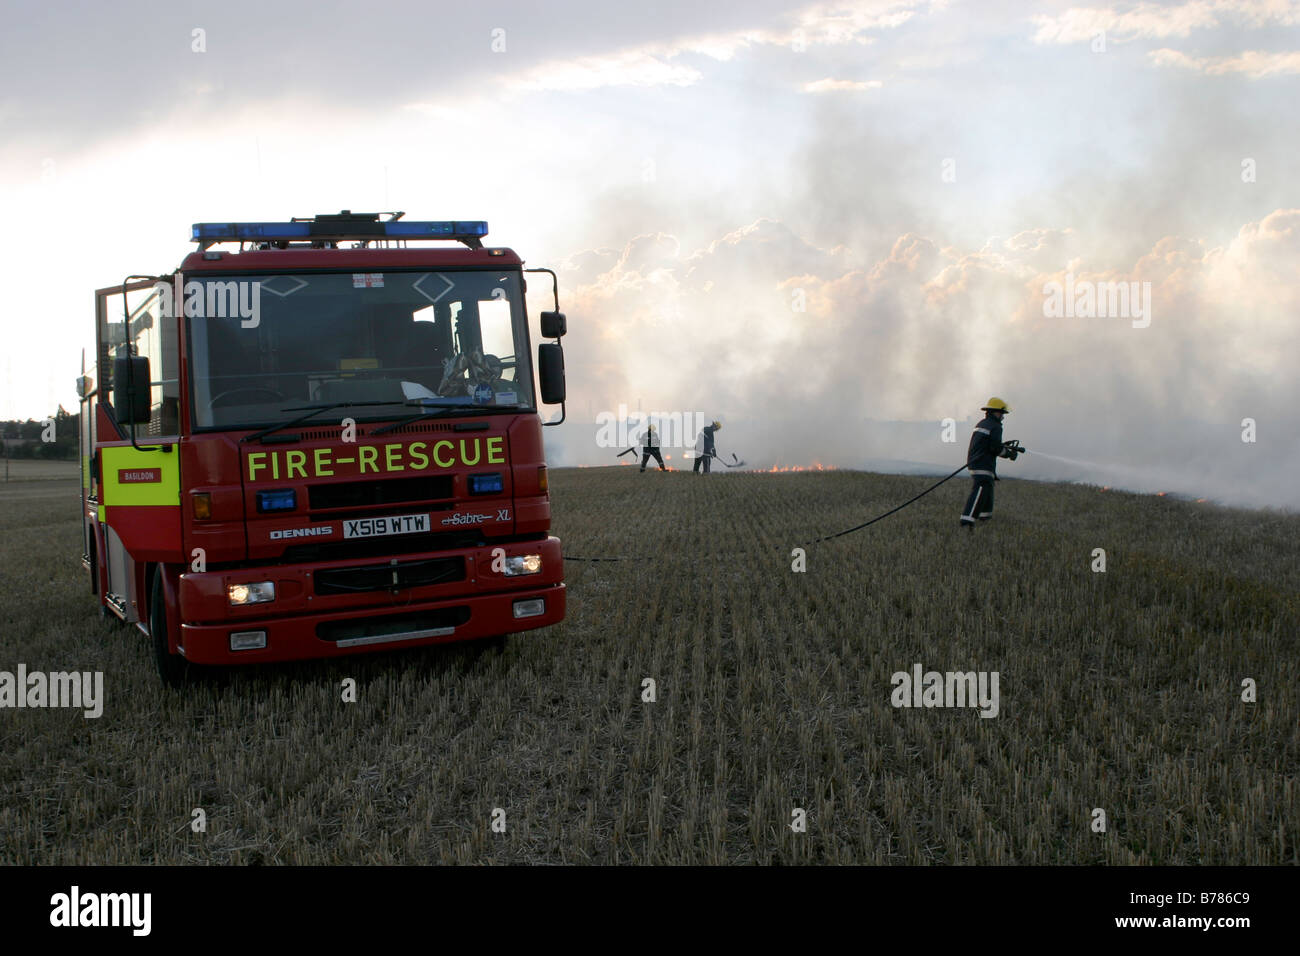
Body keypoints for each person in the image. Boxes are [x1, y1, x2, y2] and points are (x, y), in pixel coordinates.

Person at [960, 398, 1017, 530]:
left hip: (976, 462)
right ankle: (966, 521)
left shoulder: (984, 423)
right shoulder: (995, 426)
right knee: (981, 489)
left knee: (988, 488)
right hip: (982, 464)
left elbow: (987, 444)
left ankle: (985, 518)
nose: (1002, 417)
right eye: (1001, 413)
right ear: (994, 412)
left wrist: (1002, 446)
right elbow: (995, 448)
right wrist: (1009, 454)